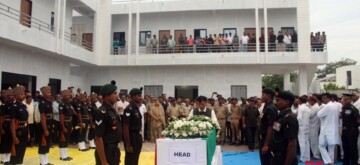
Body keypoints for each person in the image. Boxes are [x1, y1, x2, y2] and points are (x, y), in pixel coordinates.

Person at [94, 84, 122, 165]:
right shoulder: (102, 112)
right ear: (107, 96)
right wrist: (103, 161)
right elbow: (98, 138)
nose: (116, 96)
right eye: (114, 93)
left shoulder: (112, 110)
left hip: (114, 150)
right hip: (106, 151)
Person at [270, 91, 299, 165]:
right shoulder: (281, 116)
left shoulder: (289, 118)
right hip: (276, 156)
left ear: (286, 102)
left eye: (278, 100)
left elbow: (292, 143)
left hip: (283, 157)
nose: (275, 103)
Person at [317, 93, 340, 165]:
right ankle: (331, 162)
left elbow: (319, 115)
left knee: (321, 146)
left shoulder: (326, 106)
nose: (323, 100)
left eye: (324, 98)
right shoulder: (335, 106)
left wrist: (320, 109)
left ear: (329, 98)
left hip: (326, 129)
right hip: (334, 129)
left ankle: (329, 162)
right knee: (331, 148)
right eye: (322, 98)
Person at [123, 88, 143, 165]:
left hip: (137, 135)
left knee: (135, 158)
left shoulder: (136, 108)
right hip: (132, 137)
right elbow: (125, 128)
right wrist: (128, 145)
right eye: (139, 96)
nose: (141, 97)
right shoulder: (129, 109)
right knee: (130, 159)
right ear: (133, 96)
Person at [9, 85, 28, 164]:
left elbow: (26, 120)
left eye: (24, 94)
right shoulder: (14, 106)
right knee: (16, 151)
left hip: (24, 130)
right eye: (21, 94)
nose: (23, 95)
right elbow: (12, 122)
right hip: (17, 131)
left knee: (22, 150)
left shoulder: (23, 106)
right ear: (16, 95)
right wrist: (14, 136)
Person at [260, 88, 278, 165]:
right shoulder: (266, 106)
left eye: (263, 95)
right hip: (263, 137)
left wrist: (266, 144)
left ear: (269, 96)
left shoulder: (271, 108)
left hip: (267, 139)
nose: (261, 96)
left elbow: (271, 127)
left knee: (266, 160)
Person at [341, 93, 360, 165]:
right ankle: (346, 162)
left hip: (352, 131)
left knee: (353, 148)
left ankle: (354, 162)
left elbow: (358, 120)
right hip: (345, 130)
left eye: (346, 99)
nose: (344, 101)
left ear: (350, 100)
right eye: (343, 99)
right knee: (345, 147)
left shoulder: (353, 109)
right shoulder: (343, 108)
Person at [38, 86, 54, 165]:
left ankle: (46, 161)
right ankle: (42, 162)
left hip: (49, 124)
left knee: (47, 143)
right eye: (48, 92)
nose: (50, 93)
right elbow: (42, 116)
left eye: (50, 92)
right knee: (43, 143)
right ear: (44, 93)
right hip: (44, 125)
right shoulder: (42, 102)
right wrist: (45, 129)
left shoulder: (49, 102)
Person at [58, 89, 74, 161]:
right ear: (64, 96)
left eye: (69, 95)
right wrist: (63, 126)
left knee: (67, 139)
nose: (69, 96)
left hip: (69, 123)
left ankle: (65, 154)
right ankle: (62, 156)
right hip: (64, 123)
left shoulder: (69, 104)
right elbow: (61, 116)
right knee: (62, 139)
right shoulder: (62, 104)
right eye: (67, 95)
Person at [0, 88, 14, 164]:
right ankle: (3, 158)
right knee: (4, 142)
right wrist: (1, 128)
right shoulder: (4, 105)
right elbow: (1, 118)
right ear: (8, 96)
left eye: (13, 95)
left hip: (11, 125)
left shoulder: (13, 105)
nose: (12, 96)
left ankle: (8, 157)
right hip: (5, 124)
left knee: (9, 141)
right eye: (11, 95)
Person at [297, 95, 310, 162]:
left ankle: (303, 158)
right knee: (307, 142)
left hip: (301, 127)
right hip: (307, 126)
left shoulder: (300, 108)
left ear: (300, 101)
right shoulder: (308, 108)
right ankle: (307, 157)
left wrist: (298, 125)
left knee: (302, 143)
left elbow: (299, 118)